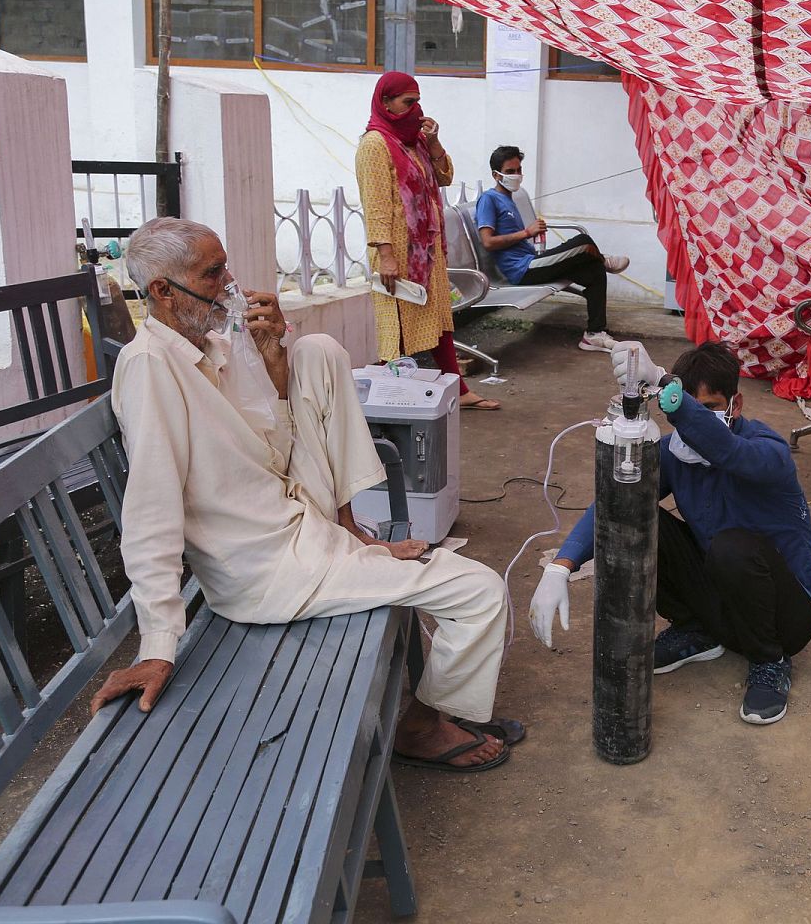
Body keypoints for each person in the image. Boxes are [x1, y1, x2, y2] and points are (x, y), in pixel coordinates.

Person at [91, 217, 517, 773]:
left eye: (226, 267)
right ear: (163, 292)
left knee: (314, 349)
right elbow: (150, 506)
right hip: (265, 566)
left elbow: (271, 443)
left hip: (290, 510)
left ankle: (351, 532)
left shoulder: (214, 345)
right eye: (213, 272)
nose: (229, 283)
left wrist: (271, 362)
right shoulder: (150, 366)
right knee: (481, 592)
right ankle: (421, 724)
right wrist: (156, 644)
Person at [529, 341, 811, 725]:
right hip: (725, 604)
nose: (698, 421)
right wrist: (560, 566)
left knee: (731, 546)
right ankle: (699, 631)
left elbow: (727, 452)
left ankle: (769, 661)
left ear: (737, 405)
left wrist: (664, 383)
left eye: (711, 408)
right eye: (692, 407)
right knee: (634, 515)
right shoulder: (673, 453)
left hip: (788, 617)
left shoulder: (766, 451)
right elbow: (612, 507)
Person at [356, 72, 500, 411]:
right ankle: (388, 399)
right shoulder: (375, 145)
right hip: (396, 252)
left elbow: (445, 176)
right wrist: (386, 255)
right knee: (398, 327)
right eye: (408, 102)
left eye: (418, 101)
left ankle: (459, 390)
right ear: (386, 103)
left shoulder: (414, 140)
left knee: (438, 320)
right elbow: (374, 203)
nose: (416, 110)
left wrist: (434, 142)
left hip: (425, 250)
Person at [476, 145, 629, 352]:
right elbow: (488, 242)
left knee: (594, 272)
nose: (517, 175)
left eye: (519, 170)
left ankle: (594, 334)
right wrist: (526, 233)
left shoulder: (509, 199)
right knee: (583, 242)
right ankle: (603, 259)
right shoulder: (488, 199)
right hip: (521, 269)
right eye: (511, 171)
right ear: (496, 175)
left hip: (532, 260)